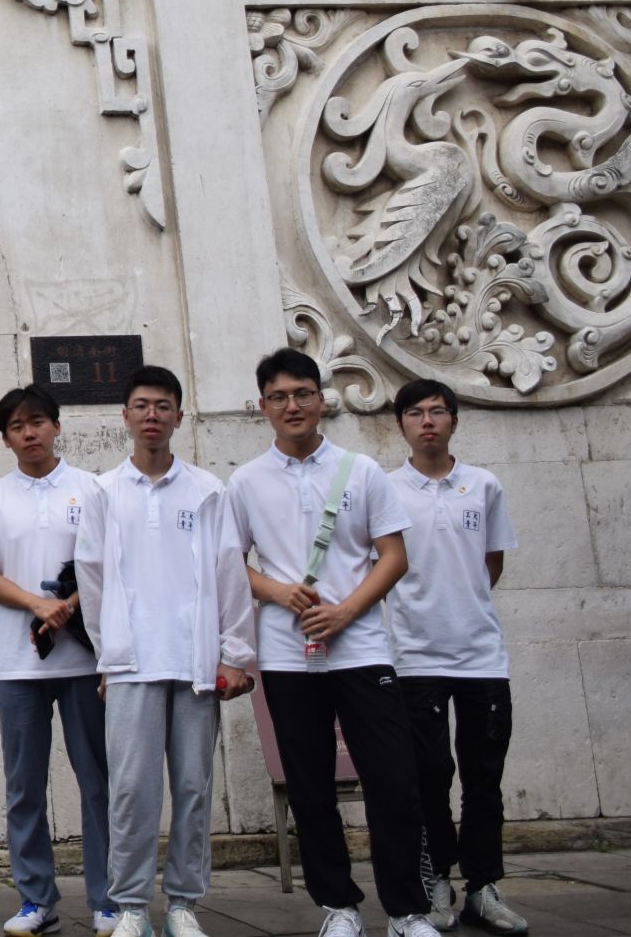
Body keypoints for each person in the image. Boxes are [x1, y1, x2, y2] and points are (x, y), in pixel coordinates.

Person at [227, 349, 437, 937]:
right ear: (262, 406)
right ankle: (339, 907)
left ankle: (406, 911)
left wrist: (345, 611)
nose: (291, 406)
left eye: (302, 393)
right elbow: (229, 566)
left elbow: (393, 556)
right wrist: (278, 591)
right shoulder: (245, 482)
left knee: (393, 780)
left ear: (321, 400)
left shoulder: (361, 471)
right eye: (278, 397)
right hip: (285, 654)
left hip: (362, 649)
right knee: (310, 785)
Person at [75, 365, 254, 937]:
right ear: (125, 416)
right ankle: (131, 905)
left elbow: (230, 574)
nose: (151, 416)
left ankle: (182, 904)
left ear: (178, 415)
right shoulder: (103, 491)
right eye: (141, 406)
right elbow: (92, 578)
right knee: (131, 790)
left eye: (162, 406)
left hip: (194, 660)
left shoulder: (207, 491)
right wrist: (108, 655)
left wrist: (233, 653)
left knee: (194, 788)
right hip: (132, 662)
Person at [0, 384, 117, 936]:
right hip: (19, 662)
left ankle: (108, 900)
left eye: (38, 422)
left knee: (97, 780)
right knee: (24, 784)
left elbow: (107, 564)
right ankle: (36, 900)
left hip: (84, 660)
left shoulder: (91, 489)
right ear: (5, 438)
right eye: (17, 426)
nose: (29, 433)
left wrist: (68, 604)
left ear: (57, 426)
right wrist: (36, 603)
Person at [386, 379, 529, 935]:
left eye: (437, 411)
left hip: (480, 657)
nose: (427, 421)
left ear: (454, 420)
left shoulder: (483, 485)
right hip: (414, 656)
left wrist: (461, 603)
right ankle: (436, 881)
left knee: (483, 778)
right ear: (400, 423)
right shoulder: (386, 488)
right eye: (415, 413)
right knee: (429, 775)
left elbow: (491, 563)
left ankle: (484, 886)